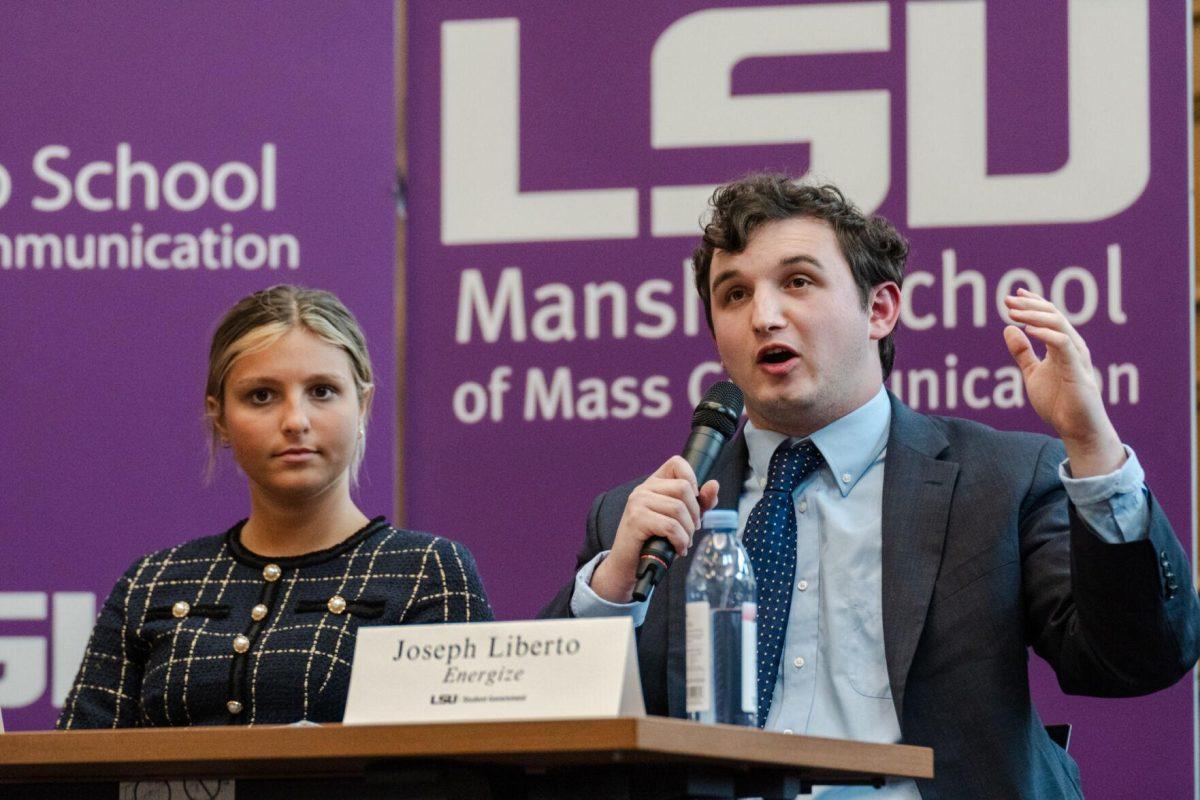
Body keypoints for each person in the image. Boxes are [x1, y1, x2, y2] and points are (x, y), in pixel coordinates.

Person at [541, 174, 1200, 799]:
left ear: (879, 308)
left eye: (797, 281)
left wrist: (1092, 447)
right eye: (733, 294)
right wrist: (611, 591)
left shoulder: (999, 482)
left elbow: (1138, 659)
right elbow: (548, 740)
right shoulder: (646, 521)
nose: (764, 315)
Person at [58, 285, 492, 728]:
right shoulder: (149, 585)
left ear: (363, 406)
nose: (295, 421)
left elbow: (457, 764)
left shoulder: (427, 571)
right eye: (261, 396)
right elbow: (76, 769)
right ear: (220, 417)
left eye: (322, 391)